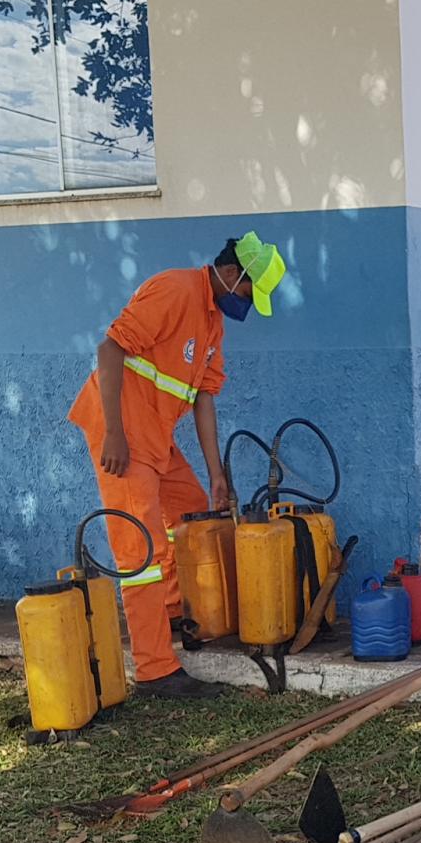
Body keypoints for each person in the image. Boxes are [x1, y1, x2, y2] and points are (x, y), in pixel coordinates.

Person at [68, 232, 285, 699]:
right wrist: (114, 432)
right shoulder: (175, 290)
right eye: (248, 294)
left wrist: (215, 474)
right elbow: (109, 350)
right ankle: (155, 670)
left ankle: (172, 614)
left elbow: (205, 397)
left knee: (189, 518)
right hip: (124, 435)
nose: (246, 306)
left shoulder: (212, 321)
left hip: (156, 439)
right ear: (231, 275)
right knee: (140, 551)